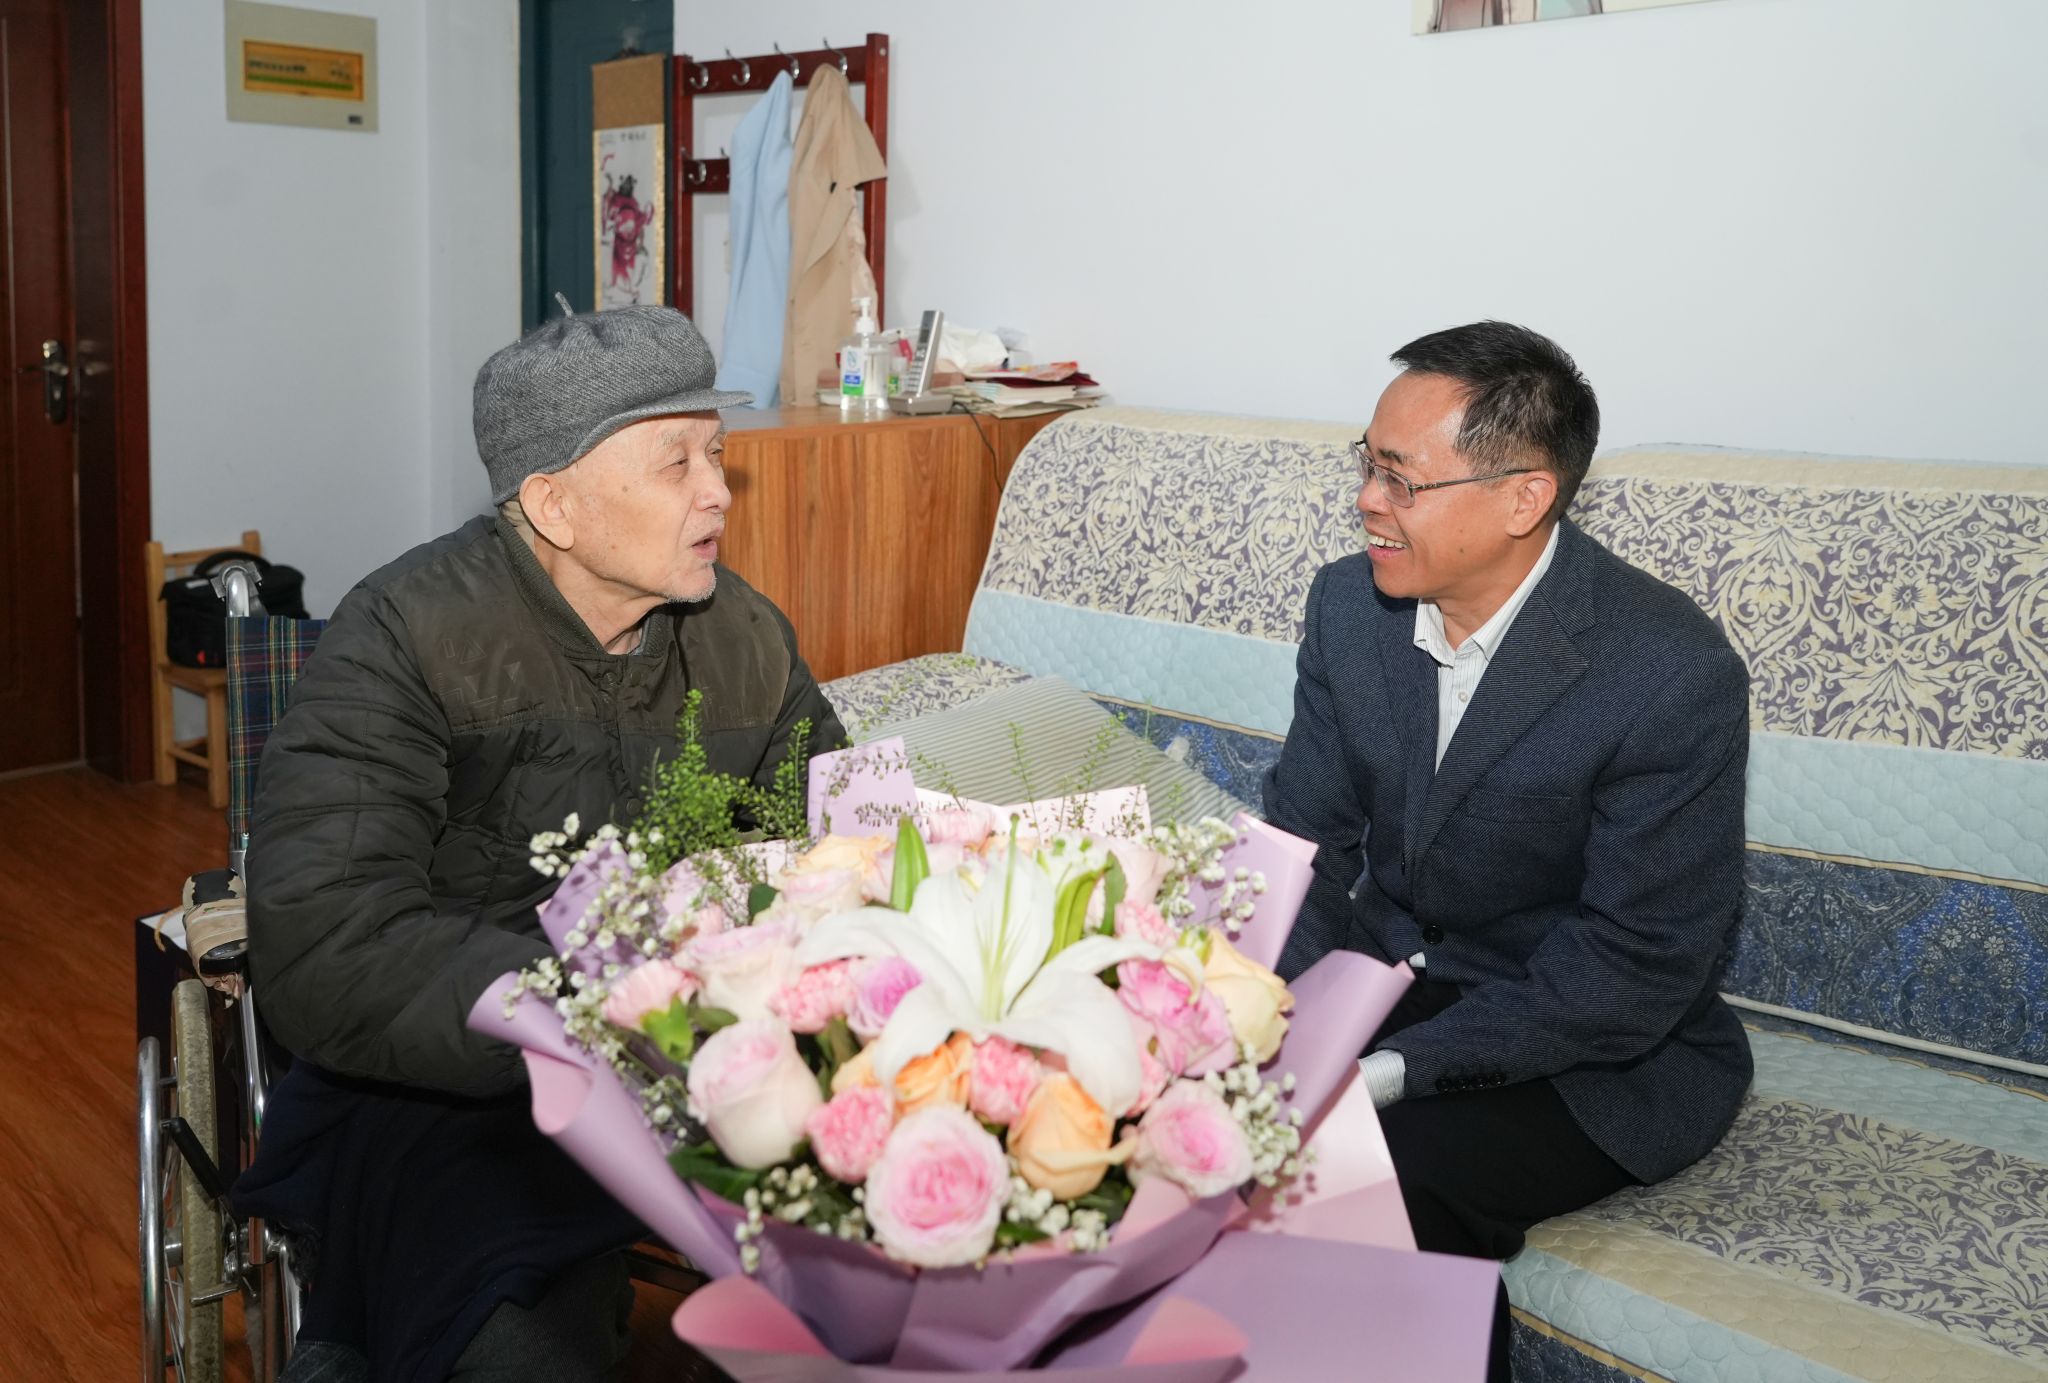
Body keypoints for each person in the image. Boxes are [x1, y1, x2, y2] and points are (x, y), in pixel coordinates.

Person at [237, 304, 846, 1382]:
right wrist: (594, 1000)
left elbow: (834, 846)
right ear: (554, 505)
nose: (717, 491)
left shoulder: (744, 639)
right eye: (676, 463)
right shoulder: (406, 635)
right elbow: (327, 938)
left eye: (716, 454)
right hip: (465, 1074)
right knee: (507, 1335)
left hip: (703, 1063)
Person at [1263, 321, 1751, 1382]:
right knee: (1189, 1121)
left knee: (1379, 1176)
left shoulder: (1669, 672)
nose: (1367, 500)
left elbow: (1633, 964)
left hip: (1594, 1044)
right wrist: (1256, 1011)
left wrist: (1381, 1072)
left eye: (1400, 479)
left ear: (1523, 498)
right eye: (1365, 464)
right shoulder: (1349, 607)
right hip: (1392, 975)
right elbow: (1305, 840)